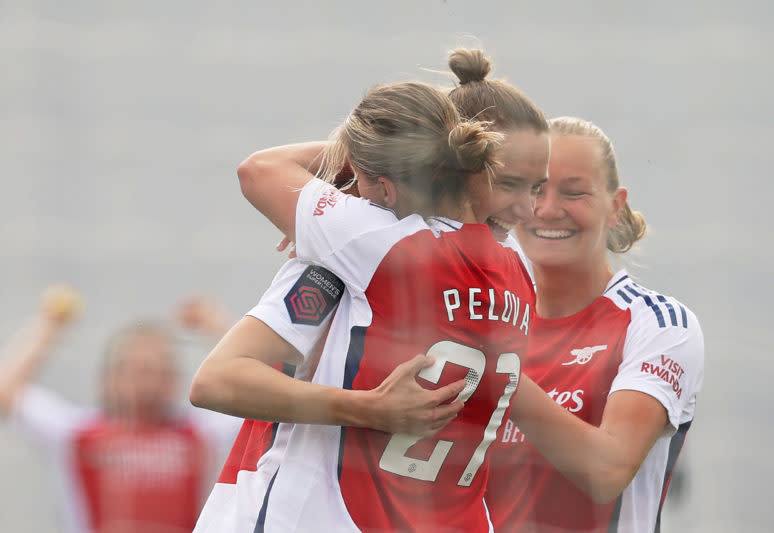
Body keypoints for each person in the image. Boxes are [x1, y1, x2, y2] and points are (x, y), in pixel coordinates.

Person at [190, 78, 550, 532]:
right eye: (511, 182)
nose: (527, 210)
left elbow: (217, 379)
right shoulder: (520, 271)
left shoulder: (359, 246)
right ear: (466, 164)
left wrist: (347, 179)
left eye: (536, 187)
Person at [484, 116, 704, 532]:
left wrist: (493, 370)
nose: (547, 210)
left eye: (574, 192)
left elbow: (607, 471)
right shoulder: (488, 317)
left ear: (615, 206)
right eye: (534, 190)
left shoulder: (658, 325)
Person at [0, 286, 239, 533]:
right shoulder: (79, 433)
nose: (150, 383)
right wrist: (49, 326)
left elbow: (256, 385)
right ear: (110, 379)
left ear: (175, 381)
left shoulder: (202, 434)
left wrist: (215, 324)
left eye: (161, 372)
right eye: (140, 371)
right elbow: (6, 392)